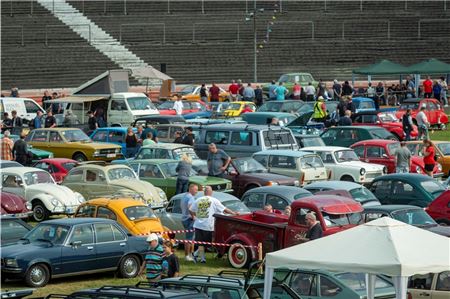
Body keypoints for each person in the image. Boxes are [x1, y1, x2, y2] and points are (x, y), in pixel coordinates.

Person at [190, 186, 238, 263]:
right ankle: (202, 259)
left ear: (204, 192)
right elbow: (224, 209)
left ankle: (197, 256)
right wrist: (233, 213)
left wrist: (194, 216)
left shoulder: (198, 199)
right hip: (208, 225)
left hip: (198, 224)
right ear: (211, 192)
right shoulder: (214, 200)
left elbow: (191, 209)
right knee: (205, 244)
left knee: (201, 243)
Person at [181, 184, 198, 261]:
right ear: (190, 189)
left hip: (184, 218)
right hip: (189, 219)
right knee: (189, 239)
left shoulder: (185, 196)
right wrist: (194, 216)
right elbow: (190, 208)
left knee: (191, 238)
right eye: (195, 190)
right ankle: (187, 256)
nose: (196, 191)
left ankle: (191, 254)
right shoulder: (190, 197)